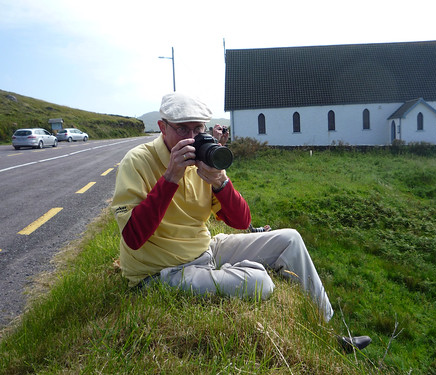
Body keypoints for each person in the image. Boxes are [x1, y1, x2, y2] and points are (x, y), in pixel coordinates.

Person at [111, 92, 371, 352]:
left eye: (198, 128)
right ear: (162, 127)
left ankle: (329, 331)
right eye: (181, 129)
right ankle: (245, 270)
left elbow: (241, 220)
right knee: (260, 283)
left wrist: (221, 182)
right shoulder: (137, 161)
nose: (191, 138)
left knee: (290, 238)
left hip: (203, 249)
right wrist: (170, 177)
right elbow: (133, 238)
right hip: (159, 272)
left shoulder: (202, 161)